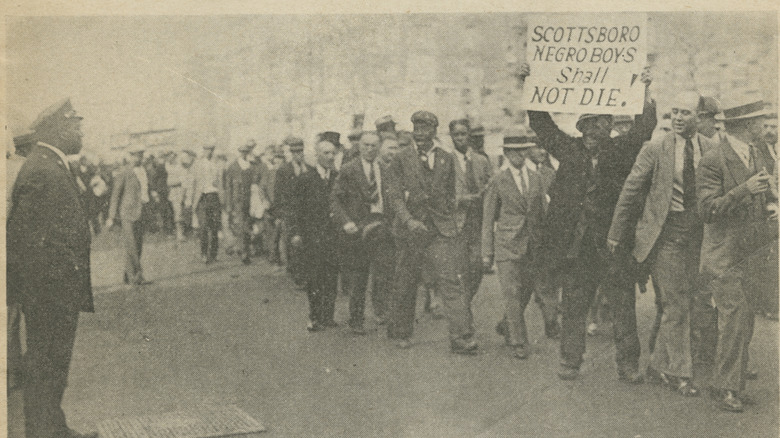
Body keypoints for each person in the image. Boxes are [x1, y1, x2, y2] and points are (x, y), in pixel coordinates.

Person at [517, 62, 656, 381]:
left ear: (609, 128)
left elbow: (643, 127)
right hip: (576, 249)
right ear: (581, 128)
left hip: (612, 244)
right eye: (590, 125)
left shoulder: (620, 151)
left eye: (602, 125)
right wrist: (529, 83)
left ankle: (628, 364)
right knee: (575, 305)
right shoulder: (569, 150)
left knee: (623, 306)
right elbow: (542, 124)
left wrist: (646, 91)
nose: (596, 131)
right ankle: (570, 360)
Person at [608, 90, 719, 396]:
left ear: (699, 116)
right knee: (675, 303)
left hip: (699, 234)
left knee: (695, 301)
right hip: (666, 234)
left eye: (686, 112)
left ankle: (659, 364)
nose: (679, 118)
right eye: (675, 112)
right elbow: (631, 191)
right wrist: (616, 232)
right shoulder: (655, 148)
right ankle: (681, 373)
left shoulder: (710, 147)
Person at [7, 98, 98, 438]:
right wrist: (53, 286)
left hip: (53, 288)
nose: (81, 132)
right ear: (59, 130)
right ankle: (44, 432)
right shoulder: (44, 170)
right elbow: (30, 240)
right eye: (76, 126)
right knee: (46, 363)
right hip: (49, 290)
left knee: (52, 365)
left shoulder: (47, 164)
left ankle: (53, 428)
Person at [697, 99, 777, 412]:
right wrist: (744, 189)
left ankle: (735, 381)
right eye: (760, 120)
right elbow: (707, 210)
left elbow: (766, 194)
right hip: (725, 255)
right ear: (744, 125)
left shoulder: (755, 153)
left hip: (752, 251)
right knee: (732, 319)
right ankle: (726, 388)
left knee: (744, 320)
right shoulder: (713, 159)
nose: (765, 125)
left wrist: (771, 205)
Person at [384, 110, 475, 354]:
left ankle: (461, 337)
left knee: (450, 282)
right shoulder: (401, 158)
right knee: (406, 282)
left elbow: (451, 194)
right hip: (411, 231)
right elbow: (394, 195)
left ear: (434, 132)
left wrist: (450, 223)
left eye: (425, 132)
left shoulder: (446, 158)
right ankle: (401, 332)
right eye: (417, 131)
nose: (420, 136)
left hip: (439, 231)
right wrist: (408, 220)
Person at [482, 133, 546, 359]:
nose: (520, 155)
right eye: (515, 151)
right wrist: (487, 253)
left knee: (526, 292)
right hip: (507, 245)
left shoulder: (536, 177)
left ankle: (508, 323)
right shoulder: (498, 180)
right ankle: (518, 341)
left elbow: (541, 213)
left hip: (532, 245)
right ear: (507, 154)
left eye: (523, 150)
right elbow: (488, 218)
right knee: (511, 292)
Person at [331, 131, 393, 334]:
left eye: (374, 145)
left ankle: (382, 312)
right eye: (365, 145)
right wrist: (346, 221)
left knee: (383, 272)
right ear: (359, 147)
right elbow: (336, 199)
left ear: (379, 147)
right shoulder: (349, 169)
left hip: (381, 225)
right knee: (359, 275)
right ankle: (356, 319)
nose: (369, 149)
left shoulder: (385, 168)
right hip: (358, 228)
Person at [290, 140, 339, 331]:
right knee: (315, 278)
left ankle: (328, 316)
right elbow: (295, 209)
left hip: (333, 236)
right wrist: (295, 232)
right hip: (312, 236)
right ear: (317, 155)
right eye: (326, 153)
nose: (330, 157)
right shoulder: (305, 179)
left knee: (332, 276)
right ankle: (315, 315)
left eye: (333, 153)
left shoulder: (337, 177)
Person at [450, 119, 493, 338]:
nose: (460, 139)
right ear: (451, 137)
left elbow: (490, 186)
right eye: (456, 135)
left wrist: (484, 193)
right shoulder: (446, 161)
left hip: (478, 222)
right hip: (456, 224)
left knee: (477, 269)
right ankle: (464, 321)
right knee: (460, 272)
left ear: (469, 136)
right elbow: (440, 194)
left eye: (463, 134)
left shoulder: (481, 160)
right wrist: (461, 199)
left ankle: (464, 307)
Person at [107, 143, 153, 286]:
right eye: (136, 155)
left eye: (141, 155)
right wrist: (111, 217)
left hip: (142, 210)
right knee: (131, 244)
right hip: (127, 212)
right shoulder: (124, 172)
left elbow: (145, 190)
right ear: (130, 156)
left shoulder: (144, 170)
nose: (139, 158)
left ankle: (128, 275)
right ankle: (138, 274)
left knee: (137, 244)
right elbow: (115, 195)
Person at [273, 136, 308, 285]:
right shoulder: (283, 170)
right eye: (295, 152)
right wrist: (279, 215)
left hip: (306, 213)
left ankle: (301, 272)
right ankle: (296, 273)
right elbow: (278, 193)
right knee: (291, 242)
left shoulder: (309, 169)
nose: (298, 155)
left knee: (304, 242)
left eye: (300, 152)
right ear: (291, 154)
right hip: (289, 212)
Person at [224, 139, 259, 264]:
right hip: (237, 200)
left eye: (246, 152)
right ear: (239, 152)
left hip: (250, 200)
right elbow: (228, 187)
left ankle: (246, 248)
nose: (244, 154)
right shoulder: (233, 167)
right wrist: (228, 204)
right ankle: (244, 251)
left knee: (249, 224)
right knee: (240, 225)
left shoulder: (251, 166)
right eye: (242, 152)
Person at [191, 142, 223, 264]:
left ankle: (213, 254)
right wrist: (191, 199)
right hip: (202, 198)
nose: (209, 152)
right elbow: (193, 182)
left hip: (214, 196)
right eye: (206, 150)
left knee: (214, 227)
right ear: (203, 150)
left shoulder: (216, 164)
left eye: (211, 150)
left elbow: (220, 181)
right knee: (203, 226)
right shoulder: (198, 164)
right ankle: (204, 253)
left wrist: (222, 197)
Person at [168, 149, 196, 242]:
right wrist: (181, 181)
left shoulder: (190, 169)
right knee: (178, 214)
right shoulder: (175, 168)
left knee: (186, 214)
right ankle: (179, 234)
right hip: (177, 194)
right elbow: (169, 182)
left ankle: (185, 232)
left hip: (187, 194)